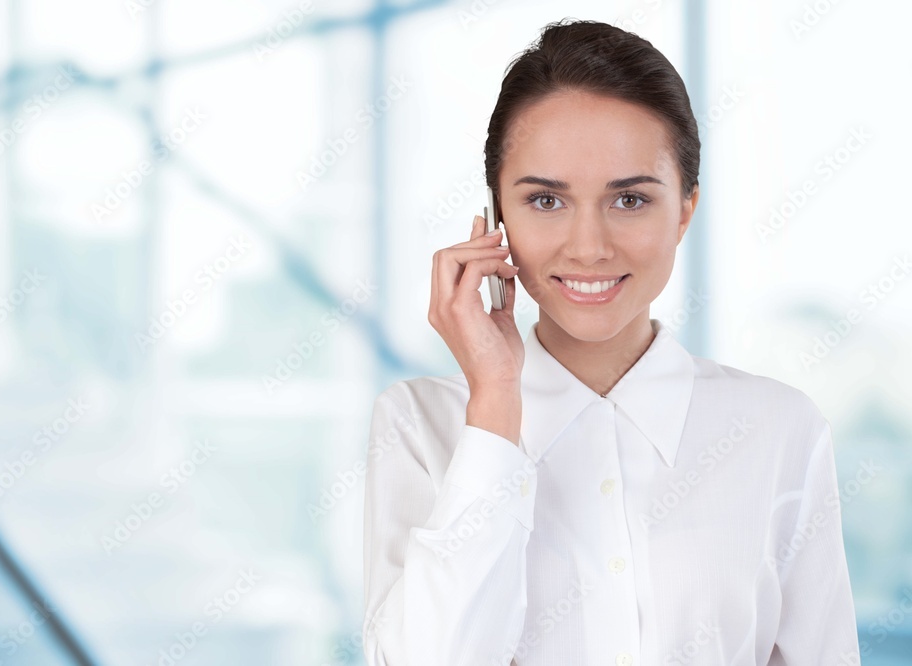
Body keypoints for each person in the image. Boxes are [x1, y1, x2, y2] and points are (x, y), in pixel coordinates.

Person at [362, 18, 860, 666]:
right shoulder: (420, 423)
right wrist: (494, 409)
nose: (590, 247)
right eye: (545, 200)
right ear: (497, 218)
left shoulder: (778, 429)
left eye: (629, 200)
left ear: (685, 209)